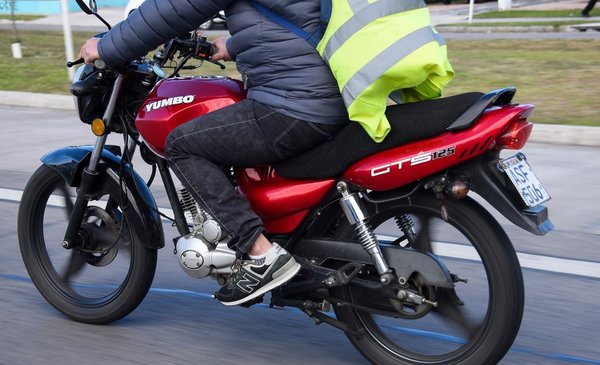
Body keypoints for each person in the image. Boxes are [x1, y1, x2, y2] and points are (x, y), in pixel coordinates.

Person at [79, 0, 348, 306]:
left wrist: (107, 47)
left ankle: (260, 253)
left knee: (182, 145)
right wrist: (233, 45)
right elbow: (299, 16)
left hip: (294, 104)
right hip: (324, 93)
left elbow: (176, 9)